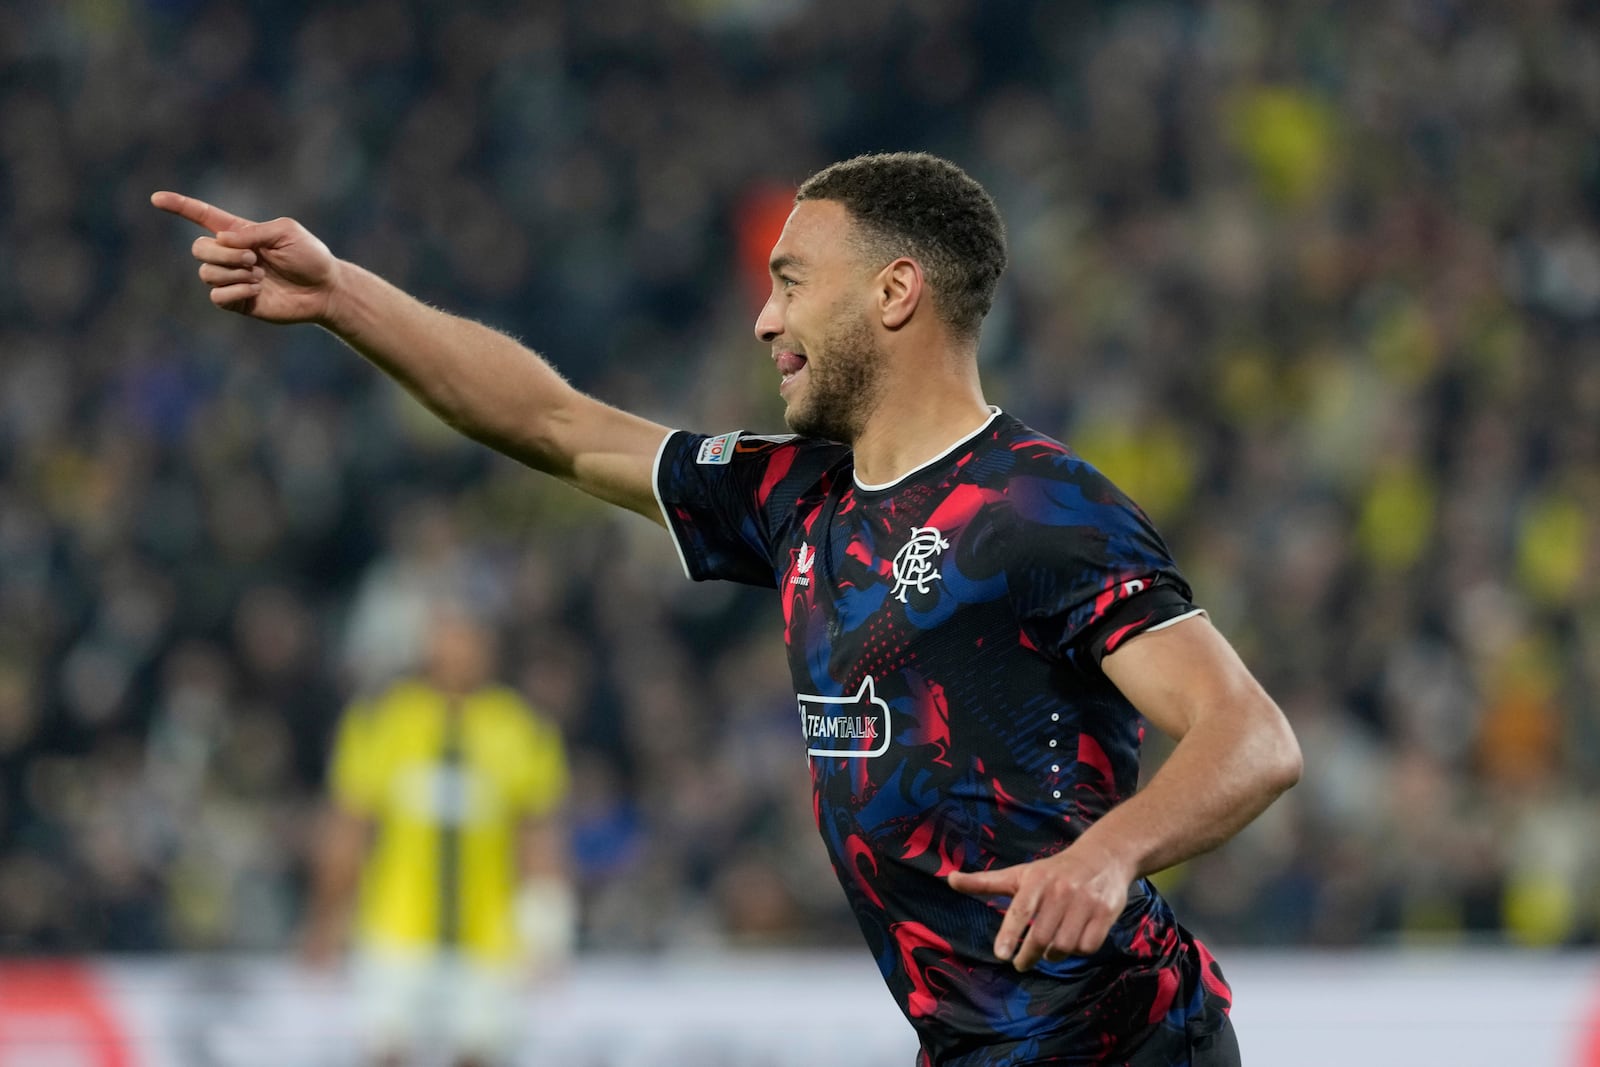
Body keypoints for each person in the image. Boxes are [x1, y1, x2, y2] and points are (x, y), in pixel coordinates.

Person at [156, 150, 1302, 1066]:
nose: (763, 318)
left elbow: (1251, 735)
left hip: (1124, 1042)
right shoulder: (793, 495)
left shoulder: (1041, 510)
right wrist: (341, 295)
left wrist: (1107, 854)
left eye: (790, 279)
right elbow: (554, 423)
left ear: (896, 292)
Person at [299, 602, 575, 1067]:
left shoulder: (521, 728)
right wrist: (325, 918)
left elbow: (538, 838)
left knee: (480, 1052)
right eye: (447, 637)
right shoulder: (384, 719)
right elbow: (349, 827)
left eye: (469, 638)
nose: (458, 651)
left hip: (488, 932)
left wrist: (546, 928)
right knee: (386, 1051)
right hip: (395, 925)